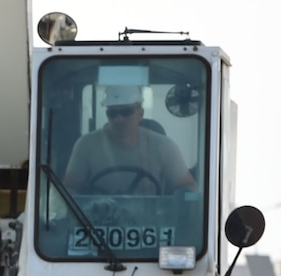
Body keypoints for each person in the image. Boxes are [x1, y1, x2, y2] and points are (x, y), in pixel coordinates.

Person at [63, 84, 197, 196]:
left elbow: (188, 186)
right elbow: (70, 189)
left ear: (141, 112)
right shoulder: (86, 145)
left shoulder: (164, 146)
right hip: (97, 223)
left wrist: (179, 203)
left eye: (126, 112)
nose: (118, 119)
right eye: (112, 113)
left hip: (152, 221)